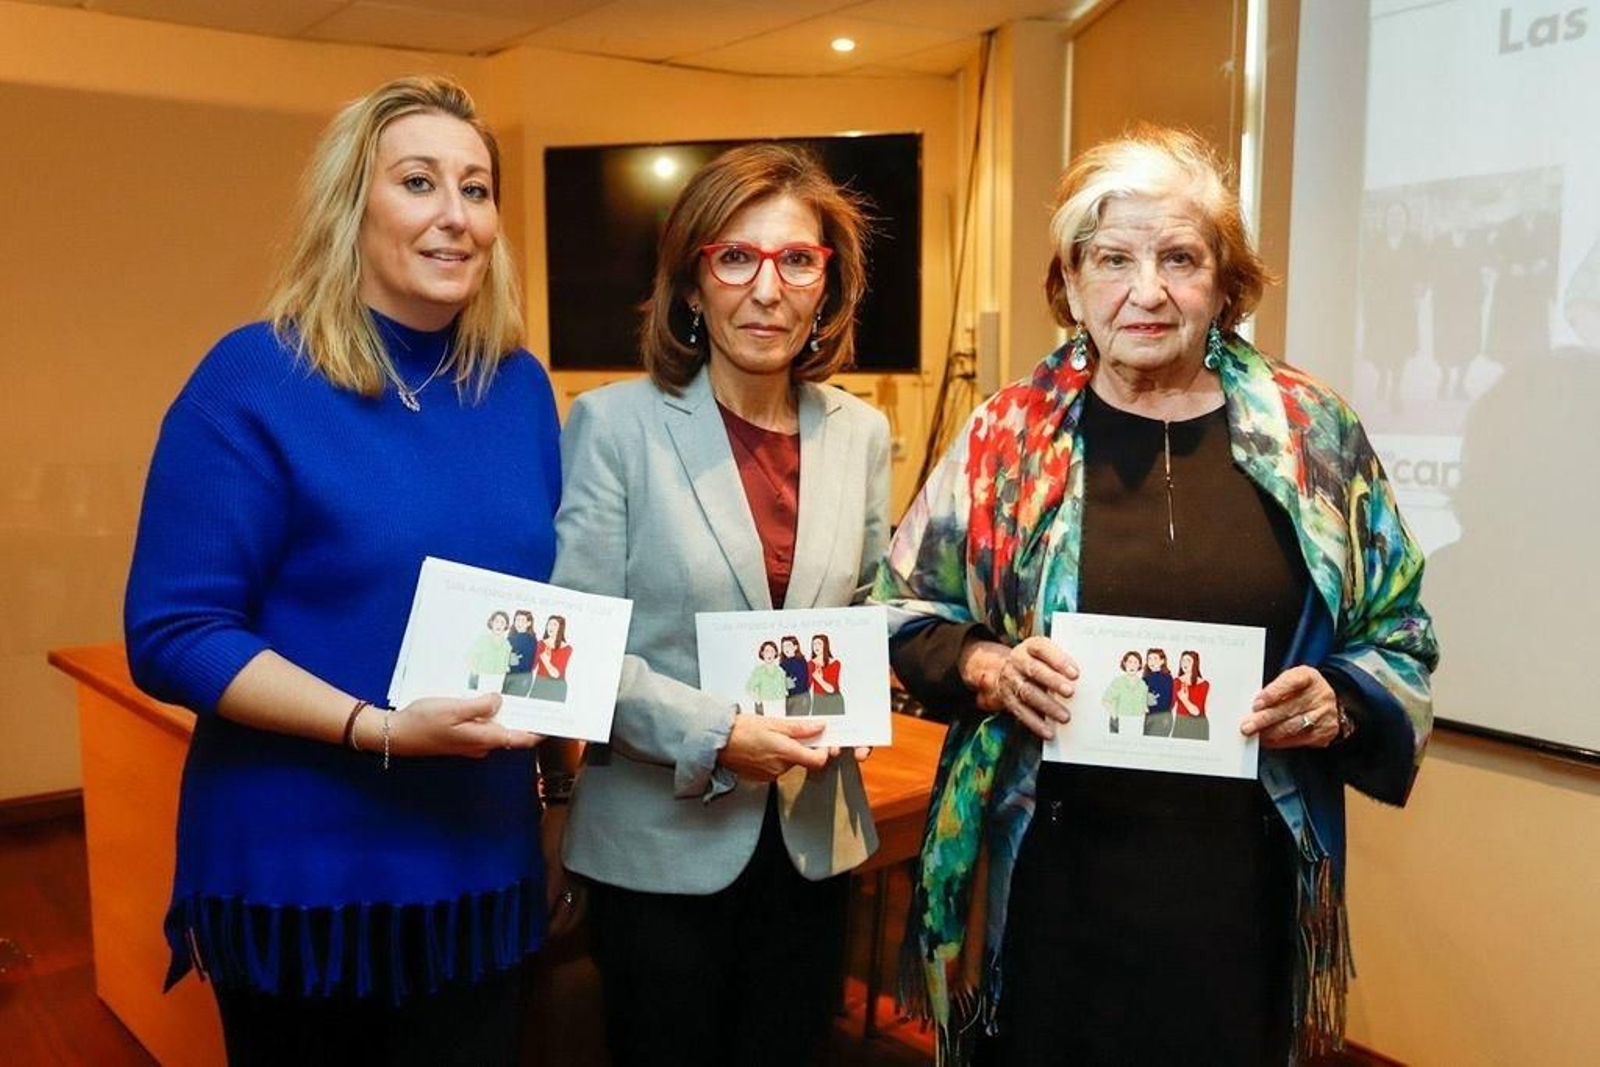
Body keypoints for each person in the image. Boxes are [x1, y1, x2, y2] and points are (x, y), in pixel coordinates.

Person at [876, 126, 1438, 1065]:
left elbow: (1403, 631)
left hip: (1242, 883)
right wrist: (982, 662)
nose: (1146, 290)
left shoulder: (1315, 437)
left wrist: (1340, 700)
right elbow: (901, 611)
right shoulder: (1005, 437)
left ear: (1226, 282)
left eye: (1180, 257)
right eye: (1112, 259)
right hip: (1051, 877)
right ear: (1069, 282)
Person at [123, 76, 576, 1066]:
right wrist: (377, 728)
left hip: (479, 862)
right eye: (419, 182)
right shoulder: (254, 378)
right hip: (307, 875)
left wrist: (554, 800)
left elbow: (533, 619)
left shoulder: (518, 387)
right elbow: (173, 633)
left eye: (477, 188)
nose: (455, 216)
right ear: (352, 205)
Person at [551, 142, 888, 1066]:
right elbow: (576, 653)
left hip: (814, 838)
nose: (767, 288)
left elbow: (865, 604)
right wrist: (718, 731)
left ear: (828, 284)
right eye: (735, 257)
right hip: (660, 847)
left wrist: (883, 670)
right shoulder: (613, 425)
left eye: (796, 259)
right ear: (692, 285)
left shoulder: (860, 432)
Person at [1101, 650, 1153, 735]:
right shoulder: (1118, 682)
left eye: (1135, 662)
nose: (1132, 665)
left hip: (1137, 722)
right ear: (1125, 664)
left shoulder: (1143, 684)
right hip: (1121, 720)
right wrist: (1115, 715)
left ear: (1139, 665)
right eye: (1129, 662)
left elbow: (1145, 705)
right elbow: (1105, 700)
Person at [468, 609, 513, 691]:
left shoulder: (507, 645)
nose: (499, 625)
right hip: (481, 678)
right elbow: (471, 658)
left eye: (502, 622)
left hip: (497, 681)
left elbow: (506, 665)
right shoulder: (482, 640)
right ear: (491, 623)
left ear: (506, 626)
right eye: (496, 621)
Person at [531, 614, 571, 702]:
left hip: (556, 688)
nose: (551, 627)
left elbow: (556, 674)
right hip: (540, 684)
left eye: (554, 624)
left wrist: (546, 662)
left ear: (561, 628)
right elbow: (532, 667)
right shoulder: (540, 644)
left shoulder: (567, 648)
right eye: (549, 624)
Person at [1172, 649, 1211, 741]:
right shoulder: (1176, 682)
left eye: (1188, 661)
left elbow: (1196, 712)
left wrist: (1184, 699)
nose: (1185, 663)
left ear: (1195, 664)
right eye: (1183, 660)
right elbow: (1171, 704)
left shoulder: (1204, 684)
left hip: (1198, 725)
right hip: (1181, 724)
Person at [746, 639, 789, 715]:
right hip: (766, 705)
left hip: (780, 705)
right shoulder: (758, 671)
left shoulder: (781, 670)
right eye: (767, 651)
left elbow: (788, 687)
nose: (769, 654)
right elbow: (749, 688)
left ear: (775, 653)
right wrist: (758, 701)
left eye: (772, 651)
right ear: (762, 653)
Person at [808, 633, 845, 716]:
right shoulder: (810, 664)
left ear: (826, 645)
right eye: (814, 644)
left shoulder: (835, 663)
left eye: (819, 643)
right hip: (818, 701)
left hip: (834, 701)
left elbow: (831, 689)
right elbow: (807, 686)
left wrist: (819, 679)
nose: (816, 646)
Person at [502, 609, 537, 697]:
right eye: (517, 620)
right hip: (509, 676)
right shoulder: (511, 638)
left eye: (522, 620)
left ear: (528, 623)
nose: (519, 623)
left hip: (522, 678)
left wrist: (510, 657)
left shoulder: (531, 640)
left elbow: (526, 663)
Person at [1141, 647, 1174, 737]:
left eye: (1155, 658)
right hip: (1150, 716)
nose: (1152, 662)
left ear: (1162, 661)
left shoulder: (1167, 678)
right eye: (1149, 659)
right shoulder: (1146, 678)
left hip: (1162, 717)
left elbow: (1165, 701)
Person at [779, 634, 811, 716]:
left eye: (789, 645)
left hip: (801, 698)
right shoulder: (783, 663)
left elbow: (798, 681)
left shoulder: (800, 661)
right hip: (790, 698)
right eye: (784, 646)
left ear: (795, 647)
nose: (786, 648)